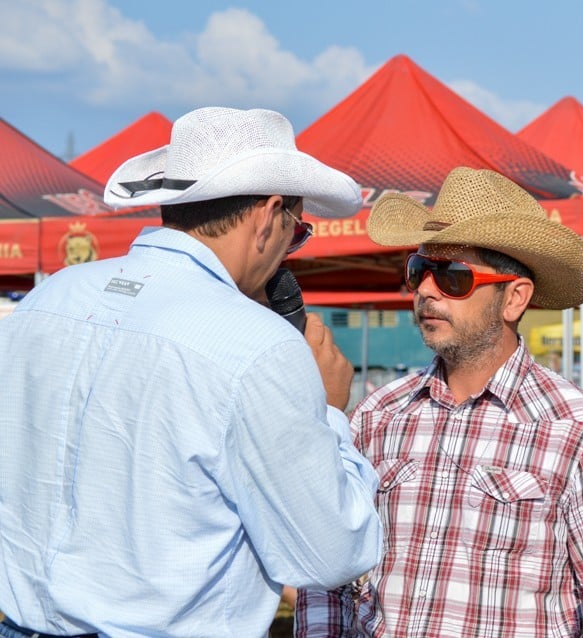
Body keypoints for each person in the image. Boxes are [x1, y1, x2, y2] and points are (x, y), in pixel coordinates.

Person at [0, 107, 383, 637]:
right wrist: (328, 412)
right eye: (297, 233)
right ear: (270, 216)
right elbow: (332, 552)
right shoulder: (258, 342)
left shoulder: (49, 298)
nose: (286, 255)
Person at [296, 167, 583, 636]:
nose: (425, 291)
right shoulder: (377, 416)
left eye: (453, 278)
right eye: (418, 271)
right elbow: (327, 567)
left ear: (514, 298)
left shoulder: (582, 428)